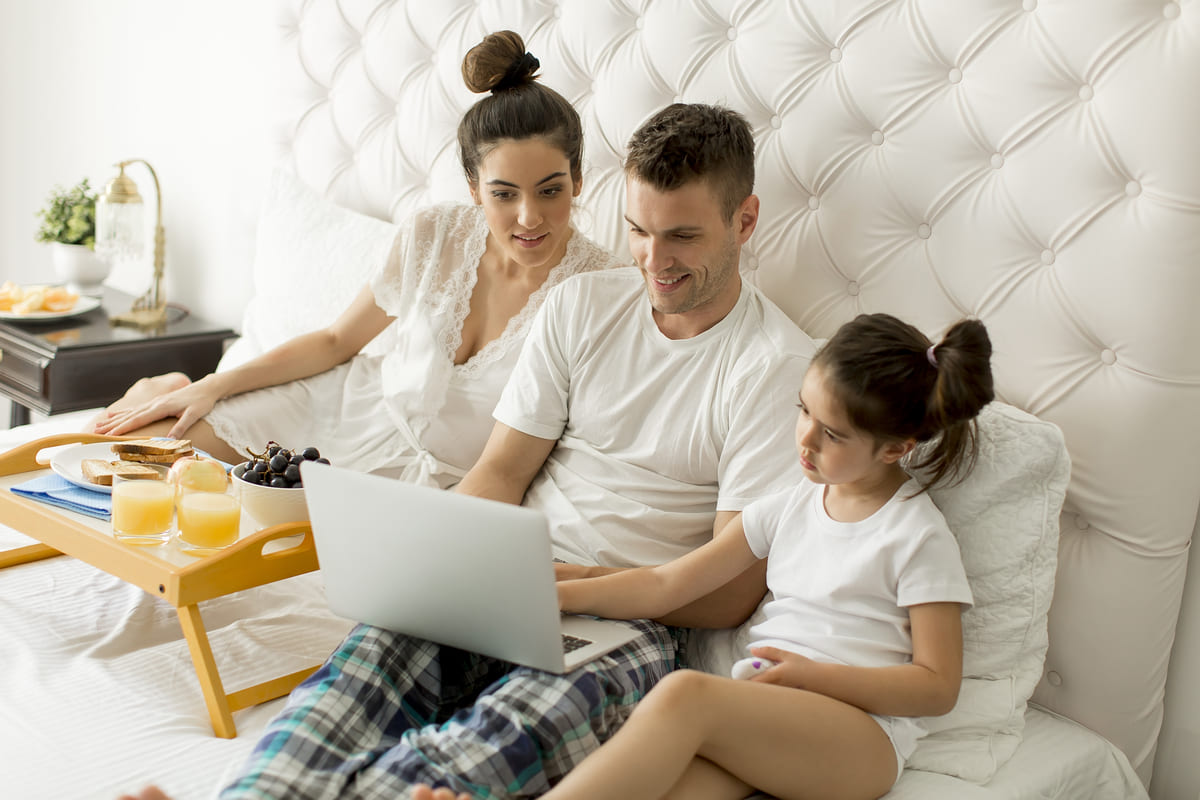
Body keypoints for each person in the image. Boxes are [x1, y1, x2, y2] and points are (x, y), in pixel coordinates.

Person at [119, 102, 819, 800]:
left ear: (745, 221)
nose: (654, 262)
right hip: (502, 579)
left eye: (683, 237)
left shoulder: (773, 367)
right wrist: (444, 561)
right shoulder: (582, 305)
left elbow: (729, 593)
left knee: (483, 749)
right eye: (638, 230)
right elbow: (501, 472)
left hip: (630, 623)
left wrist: (572, 582)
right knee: (342, 695)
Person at [468, 313, 991, 800]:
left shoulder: (917, 535)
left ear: (895, 448)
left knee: (684, 696)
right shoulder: (789, 506)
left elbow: (937, 687)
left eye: (832, 434)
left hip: (863, 734)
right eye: (803, 410)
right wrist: (551, 594)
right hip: (768, 712)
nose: (805, 440)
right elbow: (665, 586)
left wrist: (810, 676)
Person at [91, 30, 622, 489]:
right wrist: (214, 385)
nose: (529, 217)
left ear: (578, 179)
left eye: (550, 191)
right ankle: (178, 385)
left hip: (438, 480)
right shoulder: (434, 232)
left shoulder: (599, 289)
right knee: (135, 459)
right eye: (505, 194)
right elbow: (336, 342)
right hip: (344, 409)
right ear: (474, 189)